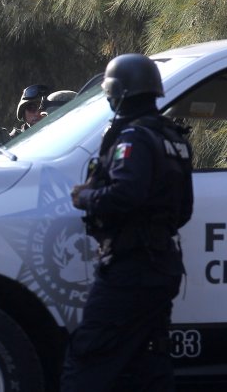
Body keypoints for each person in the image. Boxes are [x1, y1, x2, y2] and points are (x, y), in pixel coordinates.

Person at [62, 54, 193, 391]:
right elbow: (184, 210)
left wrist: (85, 197)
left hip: (130, 267)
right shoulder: (172, 137)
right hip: (163, 264)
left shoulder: (132, 138)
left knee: (89, 356)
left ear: (119, 94)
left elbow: (125, 195)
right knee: (149, 360)